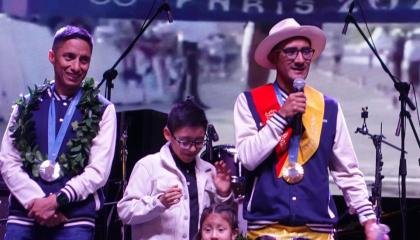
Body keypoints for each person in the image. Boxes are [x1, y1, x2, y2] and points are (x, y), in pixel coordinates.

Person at [233, 18, 389, 240]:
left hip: (318, 231)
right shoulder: (250, 101)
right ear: (275, 56)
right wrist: (281, 117)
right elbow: (247, 158)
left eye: (306, 52)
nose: (300, 59)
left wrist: (369, 221)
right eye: (291, 51)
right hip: (265, 231)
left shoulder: (328, 107)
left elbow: (348, 171)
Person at [0, 25, 117, 239]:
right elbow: (8, 160)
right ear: (52, 57)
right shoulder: (26, 105)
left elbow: (98, 171)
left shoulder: (103, 109)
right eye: (69, 57)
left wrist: (56, 201)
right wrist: (36, 202)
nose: (76, 66)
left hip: (74, 220)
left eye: (84, 60)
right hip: (25, 216)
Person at [117, 99, 232, 240]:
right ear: (167, 134)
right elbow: (124, 212)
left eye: (199, 141)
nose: (192, 148)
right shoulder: (148, 166)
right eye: (185, 142)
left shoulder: (209, 171)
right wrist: (158, 202)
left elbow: (220, 220)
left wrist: (223, 193)